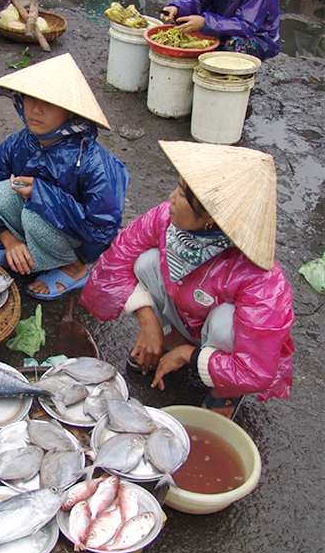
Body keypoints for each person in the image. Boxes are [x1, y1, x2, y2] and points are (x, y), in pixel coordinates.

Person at [80, 140, 294, 418]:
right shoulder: (165, 219)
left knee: (225, 321)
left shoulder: (261, 280)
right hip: (189, 308)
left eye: (181, 193)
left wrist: (187, 356)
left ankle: (225, 391)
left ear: (210, 219)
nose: (170, 197)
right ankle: (178, 335)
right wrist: (148, 322)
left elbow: (256, 369)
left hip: (219, 331)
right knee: (144, 261)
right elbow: (117, 259)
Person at [0, 53, 130, 300]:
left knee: (34, 214)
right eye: (31, 98)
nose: (36, 109)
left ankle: (73, 269)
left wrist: (41, 194)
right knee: (0, 193)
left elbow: (102, 229)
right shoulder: (21, 141)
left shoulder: (93, 162)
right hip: (43, 228)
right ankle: (24, 251)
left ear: (71, 113)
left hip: (80, 242)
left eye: (50, 103)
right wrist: (8, 239)